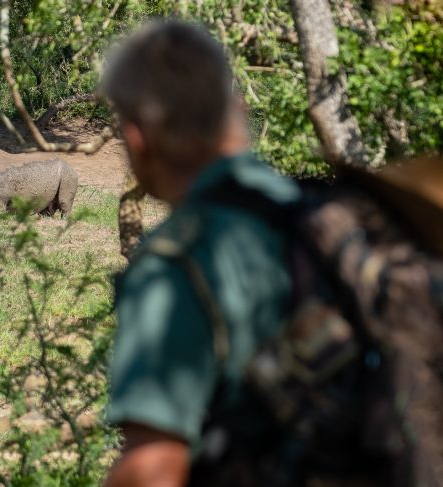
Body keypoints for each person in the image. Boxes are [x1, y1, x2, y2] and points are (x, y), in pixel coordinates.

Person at [101, 20, 302, 487]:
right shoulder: (323, 216)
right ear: (235, 110)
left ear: (137, 138)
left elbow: (152, 472)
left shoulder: (176, 262)